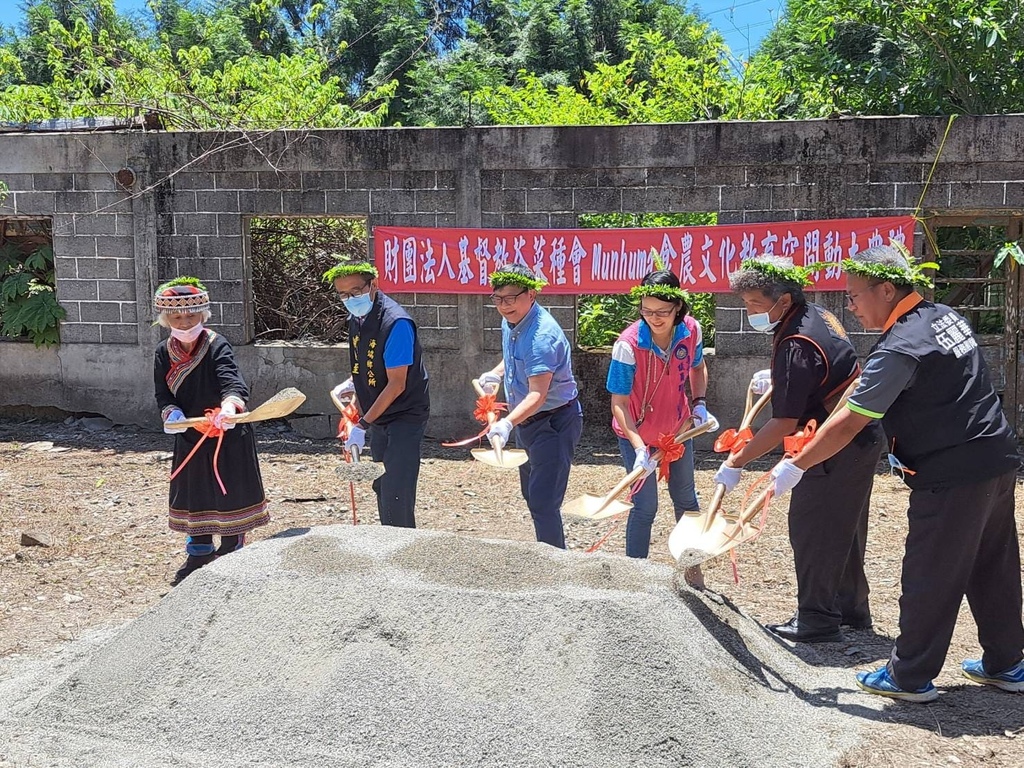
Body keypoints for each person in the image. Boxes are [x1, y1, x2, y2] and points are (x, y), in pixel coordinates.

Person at [770, 245, 1023, 702]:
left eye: (854, 296)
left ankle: (909, 676)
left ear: (886, 290)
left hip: (951, 471)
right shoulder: (942, 316)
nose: (850, 306)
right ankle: (1006, 662)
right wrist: (801, 454)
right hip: (995, 458)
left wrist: (796, 465)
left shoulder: (903, 345)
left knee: (930, 572)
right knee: (993, 566)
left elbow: (853, 419)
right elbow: (857, 394)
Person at [715, 256, 884, 643]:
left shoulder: (796, 342)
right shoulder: (817, 314)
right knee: (845, 526)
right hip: (861, 434)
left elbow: (783, 424)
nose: (750, 312)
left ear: (784, 300)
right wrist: (778, 380)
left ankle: (817, 619)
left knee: (814, 527)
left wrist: (737, 461)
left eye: (756, 305)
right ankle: (851, 611)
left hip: (833, 440)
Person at [153, 277, 269, 586]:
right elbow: (163, 394)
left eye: (191, 316)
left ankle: (233, 548)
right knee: (195, 491)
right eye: (177, 317)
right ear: (167, 320)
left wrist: (230, 407)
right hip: (190, 433)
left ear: (202, 315)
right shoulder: (163, 352)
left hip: (225, 431)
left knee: (228, 489)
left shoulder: (216, 344)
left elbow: (231, 379)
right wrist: (172, 414)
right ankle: (199, 552)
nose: (184, 322)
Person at [606, 269, 714, 576]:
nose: (654, 318)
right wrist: (640, 448)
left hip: (678, 430)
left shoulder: (690, 330)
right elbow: (619, 404)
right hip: (636, 436)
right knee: (645, 507)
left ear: (678, 307)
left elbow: (697, 367)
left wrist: (700, 403)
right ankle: (635, 577)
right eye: (647, 310)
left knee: (686, 499)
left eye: (662, 312)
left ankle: (692, 573)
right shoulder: (628, 345)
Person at [477, 264, 583, 549]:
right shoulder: (512, 319)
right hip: (527, 420)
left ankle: (554, 564)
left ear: (532, 294)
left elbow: (538, 394)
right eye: (498, 298)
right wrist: (496, 374)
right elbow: (513, 358)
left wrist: (506, 423)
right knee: (531, 493)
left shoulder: (541, 337)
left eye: (511, 298)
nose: (503, 305)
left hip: (553, 421)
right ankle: (547, 555)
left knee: (544, 501)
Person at [327, 258, 430, 529]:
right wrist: (354, 385)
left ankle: (403, 549)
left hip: (404, 413)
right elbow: (367, 364)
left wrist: (362, 424)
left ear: (374, 284)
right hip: (378, 413)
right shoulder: (357, 318)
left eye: (356, 291)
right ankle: (389, 540)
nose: (351, 298)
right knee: (381, 484)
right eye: (344, 294)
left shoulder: (396, 323)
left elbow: (396, 384)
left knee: (397, 488)